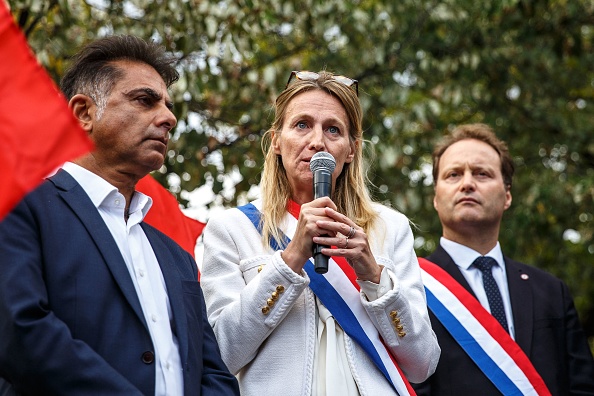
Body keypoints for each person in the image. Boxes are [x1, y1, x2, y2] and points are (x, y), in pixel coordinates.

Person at [0, 35, 239, 395]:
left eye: (169, 106)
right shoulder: (20, 208)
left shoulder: (177, 257)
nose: (169, 118)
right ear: (83, 113)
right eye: (145, 100)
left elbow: (212, 372)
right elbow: (21, 331)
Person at [200, 70, 440, 395]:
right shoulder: (232, 228)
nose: (317, 142)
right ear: (276, 142)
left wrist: (373, 275)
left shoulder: (389, 228)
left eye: (333, 129)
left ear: (351, 150)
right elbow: (221, 355)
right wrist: (289, 261)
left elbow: (422, 364)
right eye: (301, 125)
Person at [412, 123, 594, 395]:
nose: (467, 183)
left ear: (507, 195)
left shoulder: (551, 291)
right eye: (453, 174)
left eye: (482, 174)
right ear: (436, 198)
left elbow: (583, 387)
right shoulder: (410, 286)